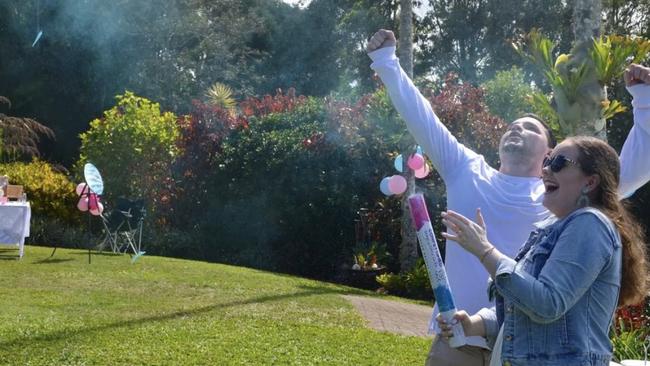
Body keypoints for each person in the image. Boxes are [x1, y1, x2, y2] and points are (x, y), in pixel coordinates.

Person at [366, 28, 650, 365]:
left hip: (530, 349)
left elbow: (628, 169)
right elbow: (422, 118)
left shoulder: (563, 199)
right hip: (462, 338)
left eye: (530, 128)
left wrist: (644, 100)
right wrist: (386, 62)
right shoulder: (466, 169)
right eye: (512, 125)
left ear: (549, 154)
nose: (516, 128)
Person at [437, 136, 648, 365]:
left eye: (559, 162)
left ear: (590, 183)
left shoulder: (591, 223)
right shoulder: (551, 229)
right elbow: (524, 310)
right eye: (547, 160)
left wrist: (485, 250)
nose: (546, 169)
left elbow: (547, 304)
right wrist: (474, 324)